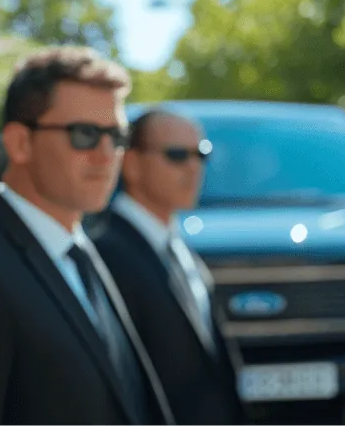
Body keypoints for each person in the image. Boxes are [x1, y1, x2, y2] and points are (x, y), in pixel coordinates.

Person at [0, 47, 175, 426]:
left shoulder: (82, 250)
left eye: (117, 136)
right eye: (85, 134)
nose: (107, 156)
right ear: (20, 143)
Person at [86, 110, 246, 425]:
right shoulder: (102, 252)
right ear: (130, 164)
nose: (193, 167)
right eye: (176, 155)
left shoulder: (178, 247)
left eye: (202, 154)